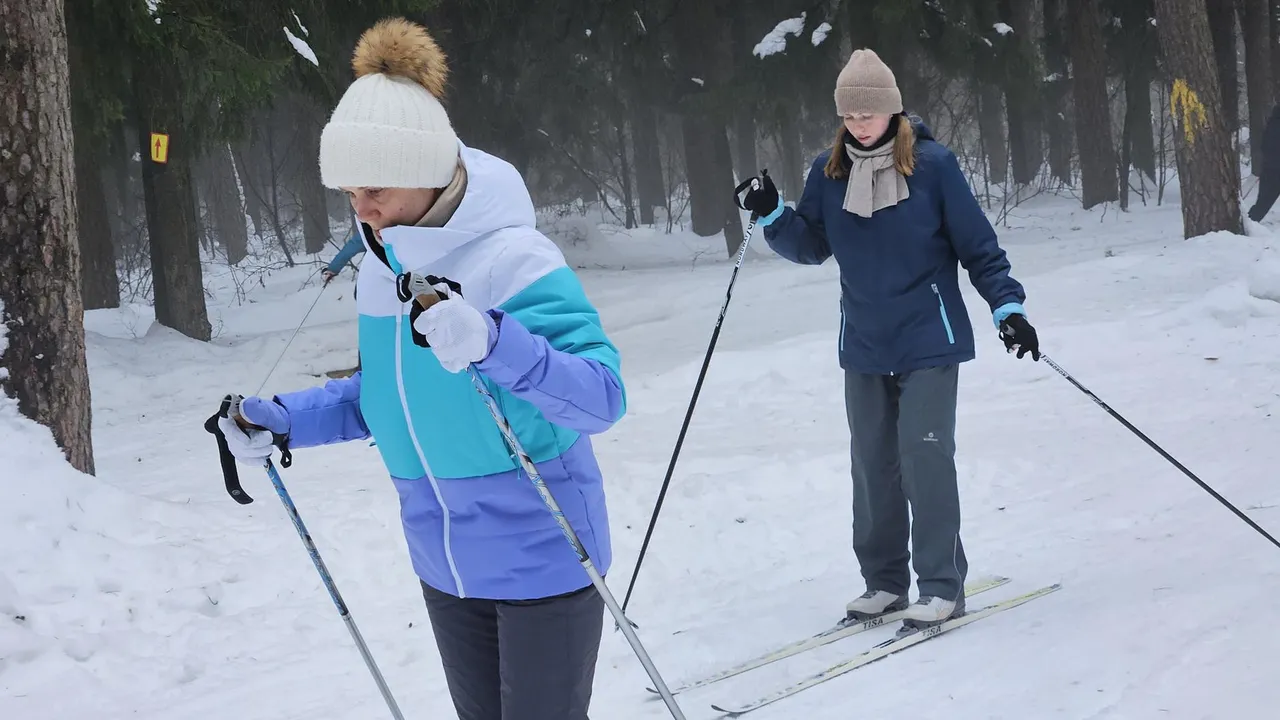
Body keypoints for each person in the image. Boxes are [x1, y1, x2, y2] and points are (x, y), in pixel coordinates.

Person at [215, 18, 626, 720]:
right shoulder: (381, 272)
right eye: (347, 192)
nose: (361, 209)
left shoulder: (515, 258)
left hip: (543, 554)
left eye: (374, 187)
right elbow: (388, 401)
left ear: (425, 172)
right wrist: (282, 421)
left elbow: (600, 400)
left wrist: (495, 342)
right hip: (445, 566)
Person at [738, 49, 1040, 635]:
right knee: (872, 465)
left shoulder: (932, 166)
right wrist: (771, 212)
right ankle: (884, 581)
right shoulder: (828, 173)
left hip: (930, 338)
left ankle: (942, 586)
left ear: (892, 109)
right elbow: (810, 245)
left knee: (923, 457)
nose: (857, 124)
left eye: (867, 114)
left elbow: (979, 247)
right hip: (866, 343)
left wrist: (1009, 308)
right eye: (848, 116)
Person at [1248, 102, 1280, 222]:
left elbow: (1264, 146)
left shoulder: (1271, 124)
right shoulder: (1274, 125)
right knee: (1263, 203)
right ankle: (1249, 224)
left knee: (1262, 203)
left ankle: (1249, 223)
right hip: (1272, 170)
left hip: (1269, 169)